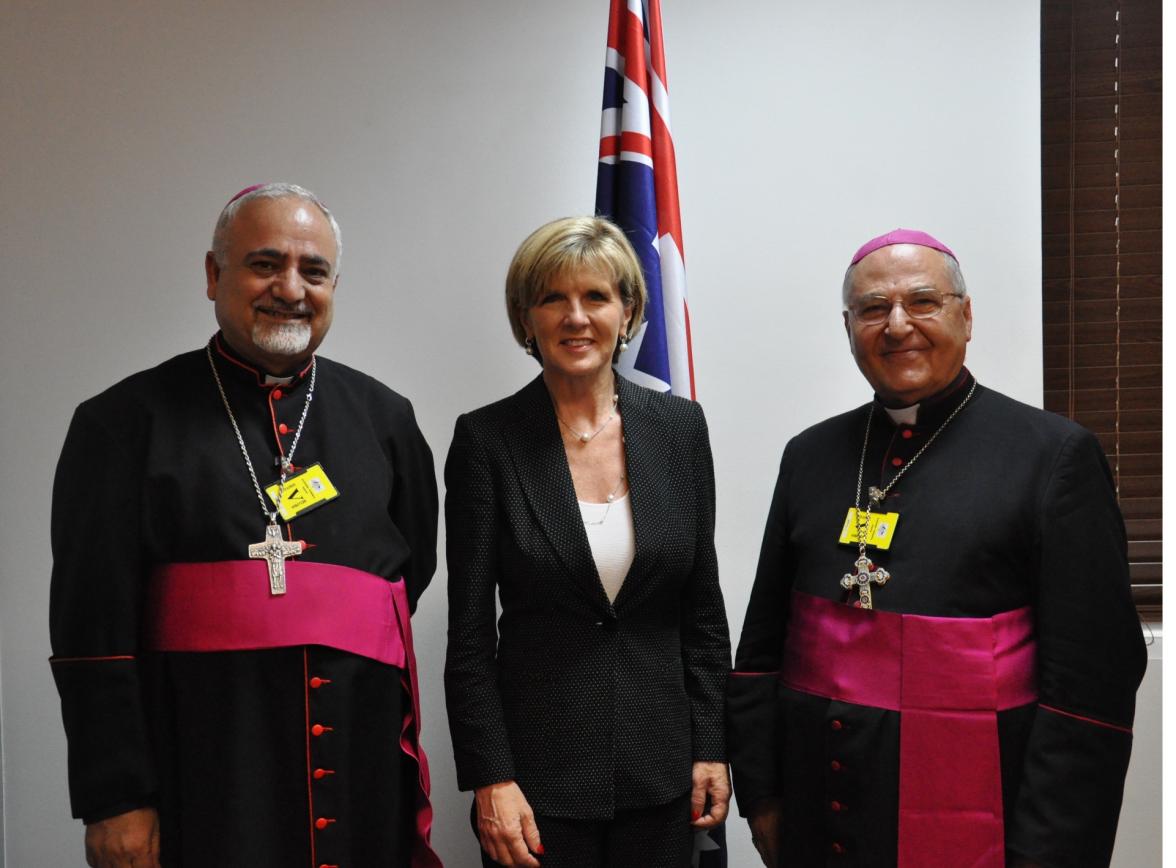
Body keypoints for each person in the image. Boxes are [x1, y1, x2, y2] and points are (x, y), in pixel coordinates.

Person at [50, 183, 441, 868]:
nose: (290, 288)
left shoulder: (386, 420)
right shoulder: (121, 423)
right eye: (265, 264)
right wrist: (116, 798)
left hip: (362, 768)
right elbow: (92, 629)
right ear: (213, 275)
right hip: (203, 775)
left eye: (313, 271)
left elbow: (408, 576)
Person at [727, 229, 1147, 868]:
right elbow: (761, 647)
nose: (898, 325)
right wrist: (762, 797)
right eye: (873, 309)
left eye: (923, 301)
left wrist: (1049, 850)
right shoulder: (809, 455)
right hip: (820, 815)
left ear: (967, 315)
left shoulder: (1053, 457)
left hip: (982, 822)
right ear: (848, 327)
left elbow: (1092, 691)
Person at [444, 216, 732, 868]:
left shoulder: (680, 431)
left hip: (664, 776)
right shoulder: (488, 442)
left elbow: (702, 613)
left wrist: (711, 743)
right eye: (553, 299)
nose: (576, 318)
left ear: (627, 311)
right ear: (527, 319)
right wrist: (491, 778)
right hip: (537, 786)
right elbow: (468, 637)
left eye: (596, 297)